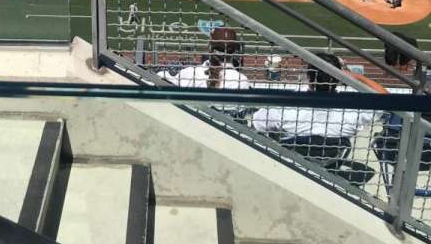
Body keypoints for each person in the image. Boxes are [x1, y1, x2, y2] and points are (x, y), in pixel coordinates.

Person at [252, 52, 375, 181]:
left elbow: (256, 126)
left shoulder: (285, 106)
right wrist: (354, 76)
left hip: (289, 171)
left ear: (308, 77)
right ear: (339, 79)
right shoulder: (352, 110)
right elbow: (385, 97)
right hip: (329, 173)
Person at [158, 28, 250, 90]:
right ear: (234, 51)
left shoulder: (190, 73)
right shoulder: (241, 80)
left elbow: (160, 78)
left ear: (209, 47)